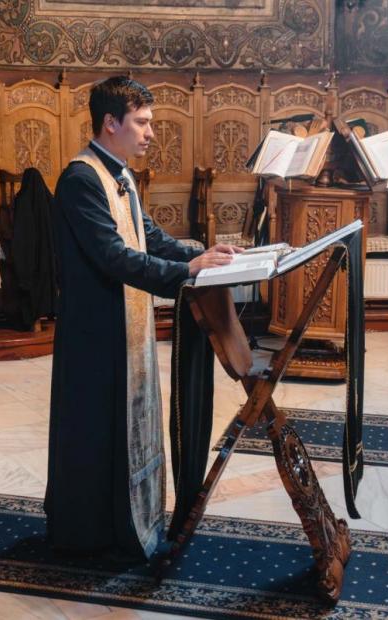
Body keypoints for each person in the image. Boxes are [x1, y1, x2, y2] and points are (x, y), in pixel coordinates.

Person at [46, 76, 241, 560]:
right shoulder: (81, 178)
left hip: (123, 326)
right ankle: (91, 535)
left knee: (124, 431)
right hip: (96, 333)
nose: (151, 133)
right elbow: (114, 256)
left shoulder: (120, 174)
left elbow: (148, 236)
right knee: (97, 434)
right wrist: (187, 271)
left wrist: (201, 253)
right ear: (110, 123)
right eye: (143, 122)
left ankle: (127, 527)